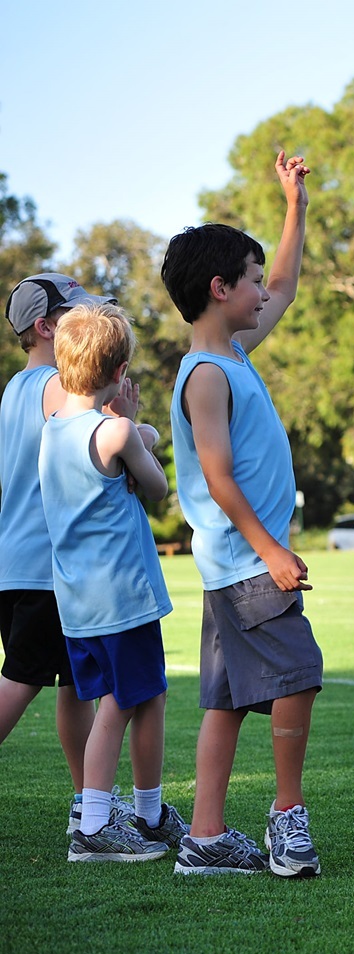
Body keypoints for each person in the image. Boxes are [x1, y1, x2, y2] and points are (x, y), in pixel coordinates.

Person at [164, 151, 322, 877]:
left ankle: (205, 839)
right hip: (246, 562)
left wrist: (295, 207)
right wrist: (272, 551)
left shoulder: (231, 354)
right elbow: (218, 477)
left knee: (226, 702)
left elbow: (285, 286)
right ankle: (287, 817)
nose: (264, 290)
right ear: (219, 289)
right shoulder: (206, 374)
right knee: (299, 674)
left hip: (232, 564)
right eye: (250, 280)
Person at [38, 302, 186, 862]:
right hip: (123, 599)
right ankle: (96, 824)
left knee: (140, 698)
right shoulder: (115, 430)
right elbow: (157, 487)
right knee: (123, 705)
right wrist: (135, 425)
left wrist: (135, 431)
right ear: (121, 371)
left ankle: (146, 813)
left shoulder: (53, 430)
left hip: (78, 602)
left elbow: (132, 441)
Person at [1, 274, 112, 835]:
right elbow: (96, 438)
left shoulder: (15, 387)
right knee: (20, 681)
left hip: (25, 565)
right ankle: (90, 808)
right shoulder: (54, 385)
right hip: (43, 569)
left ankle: (86, 804)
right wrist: (131, 426)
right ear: (46, 328)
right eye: (76, 315)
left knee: (74, 684)